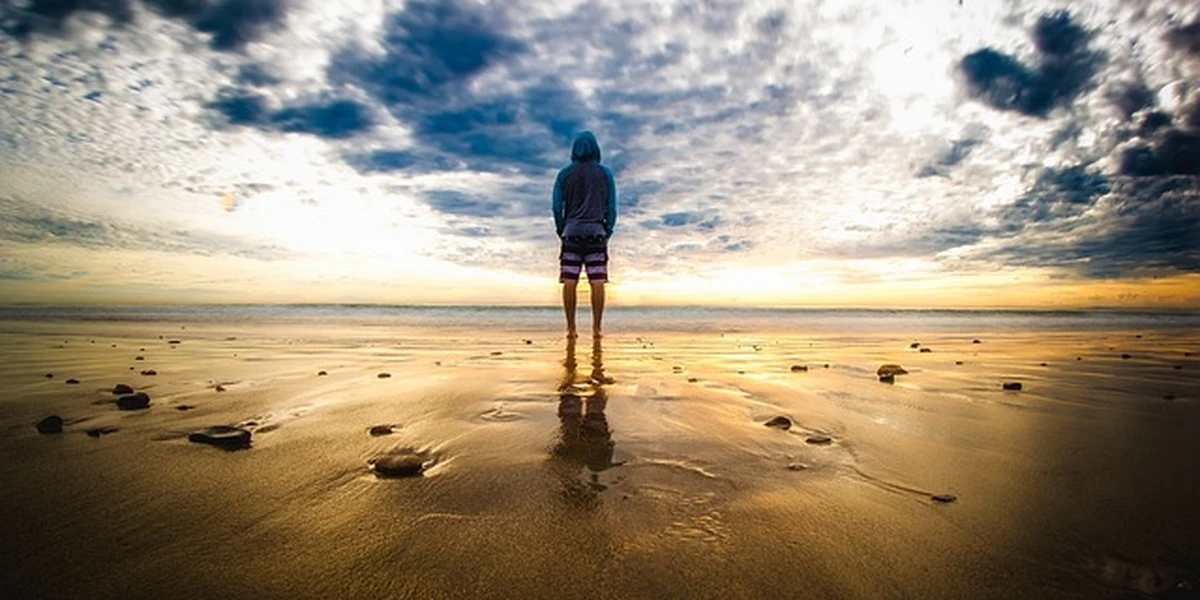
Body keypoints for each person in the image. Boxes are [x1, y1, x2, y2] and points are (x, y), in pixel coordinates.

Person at [552, 131, 617, 338]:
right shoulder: (605, 174)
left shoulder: (564, 174)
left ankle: (571, 329)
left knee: (570, 280)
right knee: (597, 281)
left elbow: (556, 207)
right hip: (596, 232)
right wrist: (608, 229)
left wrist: (561, 228)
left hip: (571, 232)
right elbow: (611, 207)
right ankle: (597, 328)